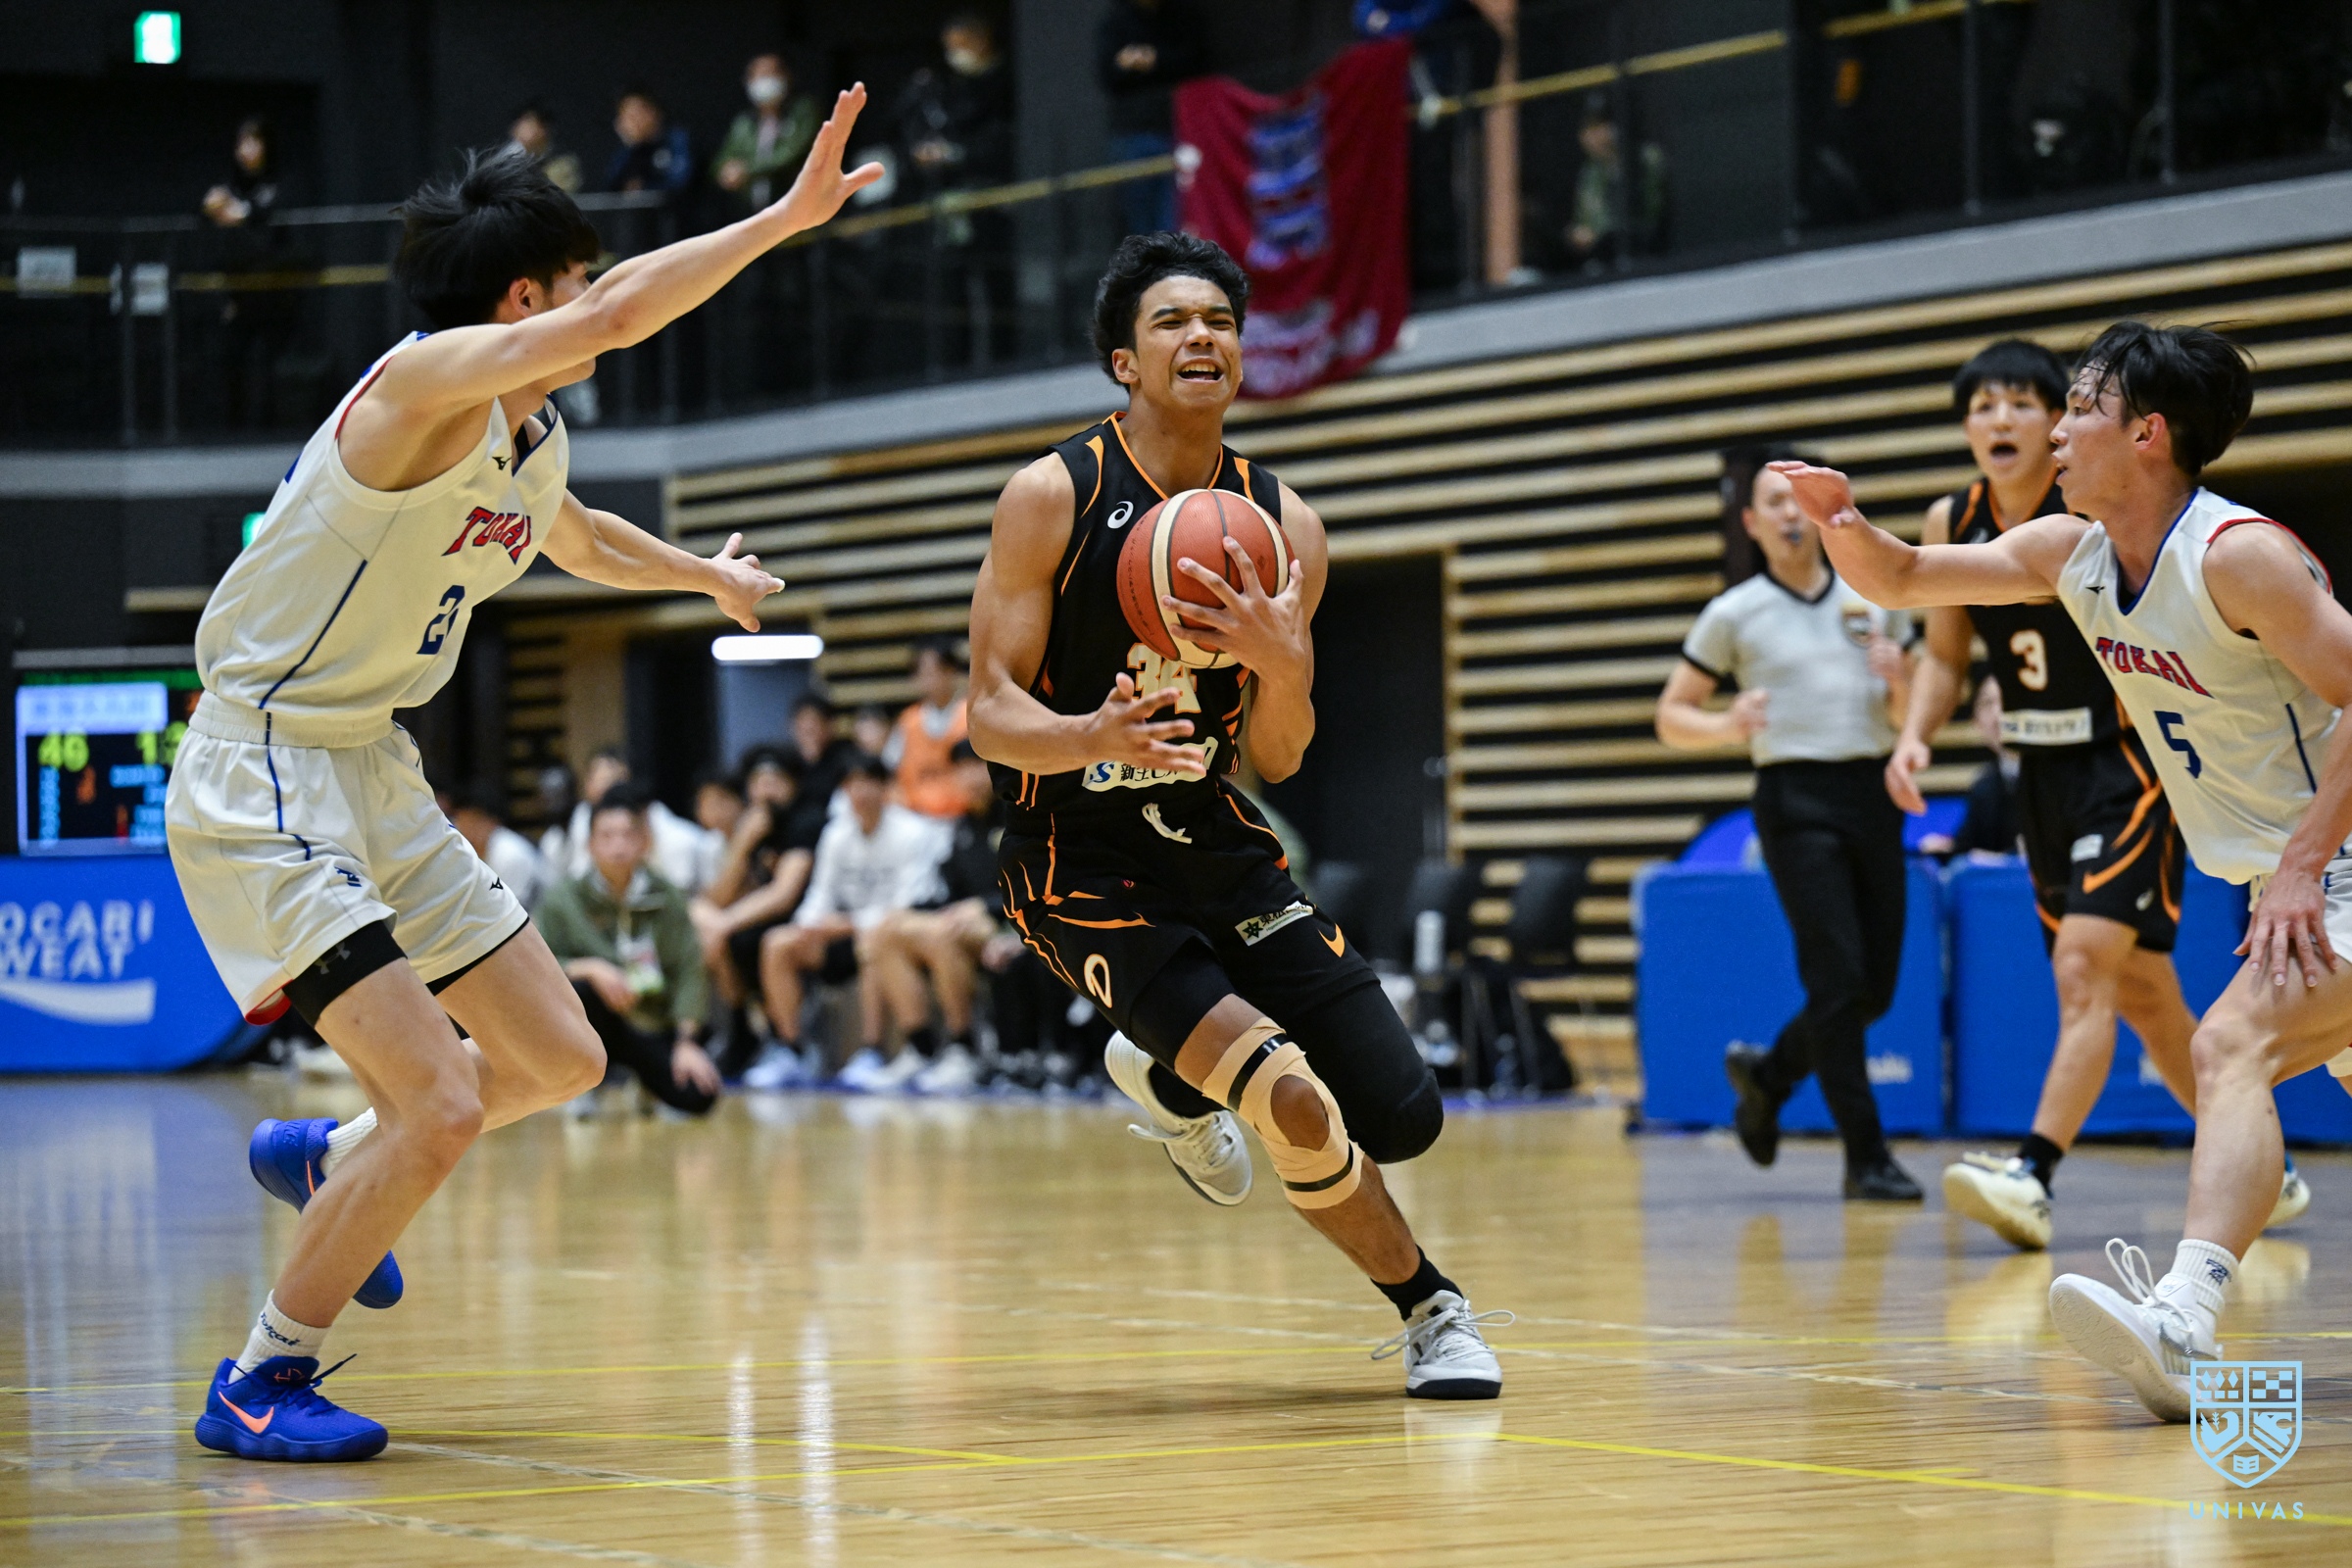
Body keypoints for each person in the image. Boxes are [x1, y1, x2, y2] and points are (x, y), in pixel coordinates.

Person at [165, 90, 880, 1462]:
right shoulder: (418, 389)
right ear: (524, 299)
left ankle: (331, 1160)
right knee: (440, 1099)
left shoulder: (527, 438)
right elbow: (620, 316)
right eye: (576, 281)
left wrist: (702, 575)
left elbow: (578, 534)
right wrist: (782, 219)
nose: (596, 301)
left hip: (373, 763)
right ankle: (260, 1377)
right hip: (266, 764)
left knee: (560, 1056)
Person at [1775, 320, 2352, 1423]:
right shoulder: (2068, 553)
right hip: (2289, 874)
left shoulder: (2238, 557)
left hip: (2333, 860)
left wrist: (2303, 864)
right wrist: (1840, 520)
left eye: (2082, 407)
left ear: (2147, 434)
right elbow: (1904, 576)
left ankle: (2181, 1320)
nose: (2056, 428)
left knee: (2229, 1044)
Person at [966, 231, 1508, 1396]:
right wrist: (1090, 738)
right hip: (1075, 858)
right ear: (1124, 361)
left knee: (1402, 1115)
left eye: (1219, 320)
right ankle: (1434, 1311)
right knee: (1290, 1097)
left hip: (1216, 842)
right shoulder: (1054, 496)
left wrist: (1285, 662)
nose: (1201, 336)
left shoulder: (1284, 527)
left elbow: (1279, 753)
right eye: (1172, 320)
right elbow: (989, 714)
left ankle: (1168, 1075)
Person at [1883, 338, 2304, 1251]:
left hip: (2129, 764)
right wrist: (1914, 734)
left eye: (2030, 405)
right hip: (2037, 775)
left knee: (2084, 968)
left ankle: (2033, 1170)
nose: (2005, 423)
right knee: (2144, 993)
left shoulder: (2114, 515)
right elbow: (1940, 645)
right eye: (1982, 407)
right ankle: (2261, 1161)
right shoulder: (1962, 516)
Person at [1655, 449, 1923, 1202]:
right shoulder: (1733, 612)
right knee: (1837, 980)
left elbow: (1911, 718)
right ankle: (1866, 1157)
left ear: (1822, 511)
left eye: (1795, 500)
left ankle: (1768, 1078)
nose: (1785, 514)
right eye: (1771, 502)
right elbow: (1670, 714)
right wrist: (1725, 725)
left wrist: (1901, 683)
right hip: (1794, 800)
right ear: (1751, 522)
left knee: (1874, 991)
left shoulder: (1874, 595)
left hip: (1872, 792)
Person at [755, 757, 949, 1091]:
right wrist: (808, 925)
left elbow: (907, 904)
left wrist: (846, 924)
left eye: (866, 783)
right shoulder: (836, 834)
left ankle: (872, 1050)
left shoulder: (912, 832)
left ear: (885, 788)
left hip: (893, 933)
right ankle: (793, 1049)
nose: (859, 792)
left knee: (873, 940)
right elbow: (819, 894)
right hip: (839, 931)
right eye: (851, 785)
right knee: (778, 943)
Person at [534, 785, 723, 1117]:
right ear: (590, 845)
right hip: (593, 1023)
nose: (618, 846)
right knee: (582, 989)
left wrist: (687, 1043)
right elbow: (537, 966)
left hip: (650, 1022)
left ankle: (645, 1082)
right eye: (607, 836)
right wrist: (588, 967)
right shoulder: (562, 900)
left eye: (627, 835)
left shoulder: (666, 896)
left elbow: (689, 970)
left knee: (698, 1095)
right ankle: (582, 1083)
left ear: (644, 841)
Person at [864, 741, 1001, 1094]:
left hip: (1014, 921)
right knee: (884, 933)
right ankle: (920, 1046)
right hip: (965, 921)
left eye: (978, 766)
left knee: (942, 933)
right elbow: (947, 893)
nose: (970, 777)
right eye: (961, 770)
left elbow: (1040, 885)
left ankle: (963, 1048)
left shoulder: (1019, 817)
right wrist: (911, 912)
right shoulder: (963, 827)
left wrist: (985, 906)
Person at [699, 748, 824, 1084]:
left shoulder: (806, 821)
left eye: (775, 781)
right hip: (768, 924)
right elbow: (719, 897)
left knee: (766, 943)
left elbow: (784, 895)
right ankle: (744, 1032)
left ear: (793, 785)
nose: (766, 790)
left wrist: (724, 923)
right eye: (758, 782)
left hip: (816, 922)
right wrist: (743, 843)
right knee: (719, 935)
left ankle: (793, 1046)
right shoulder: (754, 826)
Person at [898, 13, 1016, 367]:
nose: (956, 54)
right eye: (950, 48)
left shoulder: (1006, 80)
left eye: (962, 46)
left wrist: (959, 153)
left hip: (994, 200)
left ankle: (1006, 359)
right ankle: (957, 365)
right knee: (954, 288)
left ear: (982, 41)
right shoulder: (943, 86)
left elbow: (1002, 141)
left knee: (997, 284)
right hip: (953, 204)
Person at [1097, 0, 1209, 236]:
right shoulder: (1116, 23)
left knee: (1173, 219)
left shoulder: (1180, 19)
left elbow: (1194, 61)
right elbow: (1108, 75)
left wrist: (1151, 59)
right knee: (1139, 221)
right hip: (1131, 134)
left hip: (1176, 130)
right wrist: (1132, 64)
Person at [556, 747, 716, 895]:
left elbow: (678, 894)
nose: (618, 847)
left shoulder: (677, 839)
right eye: (596, 780)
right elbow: (579, 874)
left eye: (610, 780)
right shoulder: (583, 815)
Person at [1915, 676, 2024, 859]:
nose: (1997, 714)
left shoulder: (2053, 774)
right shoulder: (1985, 786)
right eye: (1987, 703)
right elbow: (1971, 847)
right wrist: (1947, 848)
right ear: (1976, 722)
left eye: (2005, 700)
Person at [1564, 92, 1667, 270]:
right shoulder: (1590, 173)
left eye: (1600, 126)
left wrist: (1599, 235)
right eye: (1588, 129)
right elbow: (1583, 222)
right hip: (1600, 260)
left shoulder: (1646, 158)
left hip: (1644, 255)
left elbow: (1651, 215)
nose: (1593, 136)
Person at [712, 55, 819, 215]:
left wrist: (746, 171)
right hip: (752, 212)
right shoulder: (744, 123)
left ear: (786, 77)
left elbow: (790, 154)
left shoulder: (803, 111)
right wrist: (725, 171)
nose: (764, 81)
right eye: (758, 75)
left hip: (798, 208)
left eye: (770, 73)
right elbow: (723, 159)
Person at [889, 638, 971, 817]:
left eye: (935, 670)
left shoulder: (971, 715)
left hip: (964, 815)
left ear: (951, 670)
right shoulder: (908, 721)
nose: (930, 679)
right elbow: (890, 771)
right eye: (923, 672)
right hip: (915, 818)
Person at [447, 787, 552, 912]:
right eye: (460, 821)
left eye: (472, 821)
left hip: (542, 916)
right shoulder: (468, 852)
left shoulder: (509, 854)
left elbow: (513, 913)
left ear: (490, 821)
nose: (465, 828)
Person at [786, 691, 858, 843]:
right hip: (794, 835)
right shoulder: (786, 761)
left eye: (814, 721)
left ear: (830, 725)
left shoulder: (848, 758)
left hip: (835, 831)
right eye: (802, 722)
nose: (808, 728)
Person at [606, 86, 696, 204]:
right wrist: (632, 148)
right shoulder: (629, 151)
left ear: (653, 112)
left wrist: (644, 189)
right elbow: (610, 190)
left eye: (637, 113)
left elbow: (680, 183)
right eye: (628, 116)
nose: (634, 122)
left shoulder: (676, 140)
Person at [508, 104, 583, 194]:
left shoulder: (563, 165)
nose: (521, 127)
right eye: (519, 122)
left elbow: (558, 197)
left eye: (529, 122)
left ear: (543, 129)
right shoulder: (508, 159)